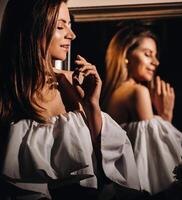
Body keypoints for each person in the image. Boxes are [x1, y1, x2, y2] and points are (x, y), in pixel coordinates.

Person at [0, 0, 145, 199]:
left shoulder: (72, 83)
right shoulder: (9, 92)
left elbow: (110, 164)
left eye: (70, 25)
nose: (72, 34)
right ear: (32, 28)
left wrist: (91, 104)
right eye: (60, 26)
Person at [102, 25, 182, 195]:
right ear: (126, 55)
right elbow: (158, 162)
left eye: (155, 55)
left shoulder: (111, 96)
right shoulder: (138, 92)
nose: (156, 62)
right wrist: (165, 116)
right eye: (147, 54)